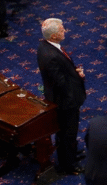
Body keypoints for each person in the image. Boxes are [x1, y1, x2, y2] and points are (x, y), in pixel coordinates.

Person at [37, 18, 87, 174]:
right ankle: (68, 165)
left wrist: (73, 72)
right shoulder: (51, 55)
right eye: (61, 30)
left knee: (67, 132)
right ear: (53, 37)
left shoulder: (45, 46)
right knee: (67, 133)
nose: (64, 31)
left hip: (62, 98)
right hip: (65, 102)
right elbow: (61, 83)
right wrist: (77, 79)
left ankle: (70, 154)